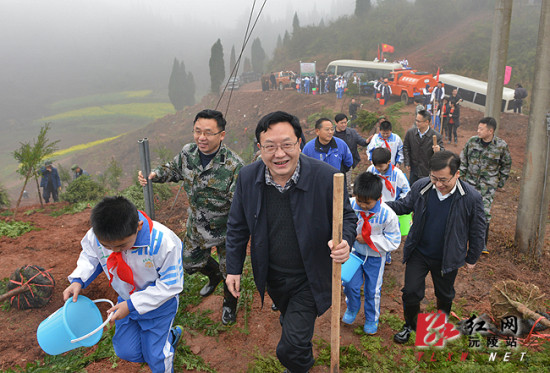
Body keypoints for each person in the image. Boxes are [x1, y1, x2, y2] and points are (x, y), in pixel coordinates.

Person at [225, 111, 357, 373]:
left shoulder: (325, 177)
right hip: (273, 275)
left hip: (311, 275)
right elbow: (237, 227)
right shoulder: (248, 178)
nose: (279, 154)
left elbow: (348, 219)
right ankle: (298, 346)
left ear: (299, 143)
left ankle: (299, 365)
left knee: (289, 348)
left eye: (287, 145)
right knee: (290, 322)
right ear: (260, 148)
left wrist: (345, 242)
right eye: (270, 147)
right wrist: (233, 268)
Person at [138, 109, 244, 325]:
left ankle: (229, 305)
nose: (201, 138)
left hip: (226, 231)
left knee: (230, 272)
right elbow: (173, 169)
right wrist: (155, 174)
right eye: (197, 131)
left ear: (221, 135)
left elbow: (241, 206)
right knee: (189, 264)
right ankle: (212, 274)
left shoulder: (234, 166)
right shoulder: (188, 153)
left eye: (208, 133)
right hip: (197, 225)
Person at [63, 196, 184, 372]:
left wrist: (132, 305)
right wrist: (78, 280)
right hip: (125, 300)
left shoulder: (163, 242)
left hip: (159, 305)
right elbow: (91, 256)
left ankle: (161, 347)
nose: (113, 250)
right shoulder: (99, 235)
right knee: (126, 351)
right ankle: (168, 338)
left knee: (156, 356)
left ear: (139, 226)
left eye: (121, 245)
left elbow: (171, 285)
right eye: (107, 246)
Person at [386, 151, 486, 344]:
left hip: (447, 256)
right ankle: (410, 325)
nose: (438, 184)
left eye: (444, 180)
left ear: (457, 174)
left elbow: (478, 229)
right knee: (411, 292)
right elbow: (404, 206)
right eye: (434, 178)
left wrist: (472, 257)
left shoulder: (471, 197)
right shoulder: (421, 187)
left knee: (445, 294)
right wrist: (379, 206)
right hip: (419, 252)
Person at [342, 172, 401, 334]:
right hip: (353, 254)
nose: (363, 205)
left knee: (372, 290)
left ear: (378, 197)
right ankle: (352, 308)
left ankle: (371, 319)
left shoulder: (388, 215)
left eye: (367, 203)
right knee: (349, 284)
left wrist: (369, 240)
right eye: (360, 200)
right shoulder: (350, 205)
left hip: (375, 257)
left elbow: (394, 240)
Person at [459, 117, 512, 255]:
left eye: (481, 129)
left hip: (487, 187)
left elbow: (506, 164)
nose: (478, 131)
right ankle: (462, 242)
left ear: (490, 130)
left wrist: (499, 182)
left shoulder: (501, 145)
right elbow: (463, 159)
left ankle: (481, 245)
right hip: (469, 184)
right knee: (466, 212)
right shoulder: (472, 142)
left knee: (484, 214)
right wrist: (461, 178)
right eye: (478, 128)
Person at [367, 147, 410, 265]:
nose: (379, 169)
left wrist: (398, 203)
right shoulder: (371, 170)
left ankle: (386, 254)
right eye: (376, 166)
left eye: (381, 166)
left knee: (387, 231)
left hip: (390, 208)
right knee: (375, 229)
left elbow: (407, 191)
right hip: (374, 206)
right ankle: (374, 251)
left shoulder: (398, 175)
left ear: (388, 162)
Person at [403, 109, 444, 185]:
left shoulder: (436, 136)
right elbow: (406, 147)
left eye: (419, 121)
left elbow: (443, 154)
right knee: (412, 189)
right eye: (416, 120)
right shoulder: (411, 133)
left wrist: (439, 150)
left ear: (427, 122)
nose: (416, 123)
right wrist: (407, 162)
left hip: (427, 172)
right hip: (414, 170)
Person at [333, 113, 371, 194]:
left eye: (345, 122)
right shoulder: (331, 134)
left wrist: (367, 141)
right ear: (336, 123)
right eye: (341, 123)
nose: (344, 125)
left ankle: (348, 199)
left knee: (347, 183)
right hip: (334, 162)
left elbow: (362, 141)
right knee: (334, 183)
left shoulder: (352, 132)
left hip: (347, 162)